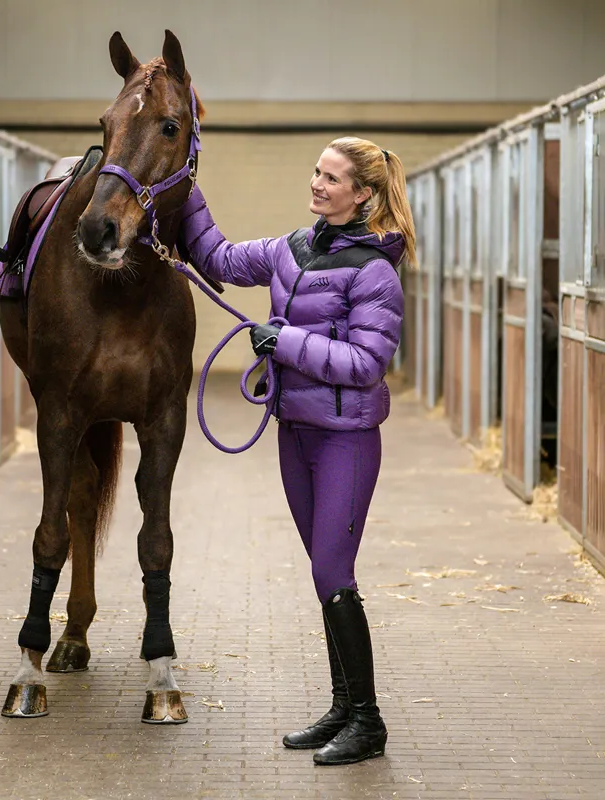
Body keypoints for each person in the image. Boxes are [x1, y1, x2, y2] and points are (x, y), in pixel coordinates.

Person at [176, 137, 415, 766]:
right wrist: (177, 177)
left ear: (362, 193)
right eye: (316, 171)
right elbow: (218, 256)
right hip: (296, 432)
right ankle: (343, 708)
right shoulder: (291, 250)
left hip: (346, 440)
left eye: (331, 178)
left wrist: (282, 342)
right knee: (322, 575)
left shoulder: (375, 272)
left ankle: (368, 721)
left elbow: (366, 364)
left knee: (333, 573)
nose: (317, 183)